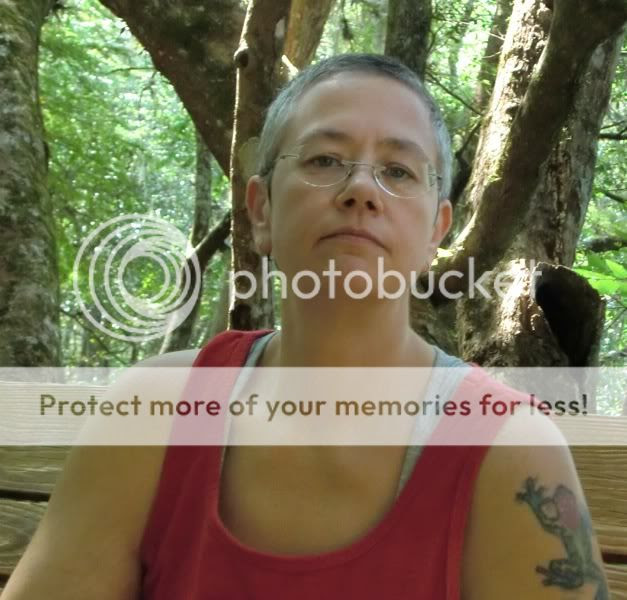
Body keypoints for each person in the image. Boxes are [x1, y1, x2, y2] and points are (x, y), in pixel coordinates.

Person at [3, 53, 608, 599]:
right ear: (261, 209)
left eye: (399, 171)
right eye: (324, 159)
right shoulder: (152, 415)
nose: (361, 190)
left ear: (435, 232)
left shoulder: (509, 451)